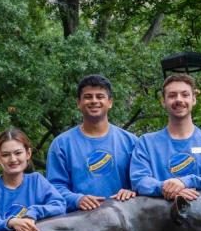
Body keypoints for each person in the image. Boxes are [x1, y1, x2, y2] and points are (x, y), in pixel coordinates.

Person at [46, 74, 138, 212]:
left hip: (124, 221)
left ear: (110, 102)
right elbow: (54, 188)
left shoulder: (131, 142)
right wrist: (77, 199)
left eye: (100, 96)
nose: (94, 101)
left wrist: (132, 191)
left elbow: (141, 181)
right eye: (88, 97)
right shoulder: (61, 145)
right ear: (78, 103)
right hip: (78, 224)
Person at [129, 73, 201, 201]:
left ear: (194, 99)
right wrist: (165, 187)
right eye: (172, 95)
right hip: (158, 218)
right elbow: (139, 181)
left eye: (185, 95)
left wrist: (184, 182)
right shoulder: (146, 143)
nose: (179, 100)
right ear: (163, 101)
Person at [0, 129, 66, 231]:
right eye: (5, 155)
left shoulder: (36, 180)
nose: (13, 159)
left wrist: (33, 213)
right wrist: (11, 222)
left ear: (28, 153)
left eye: (18, 153)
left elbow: (60, 205)